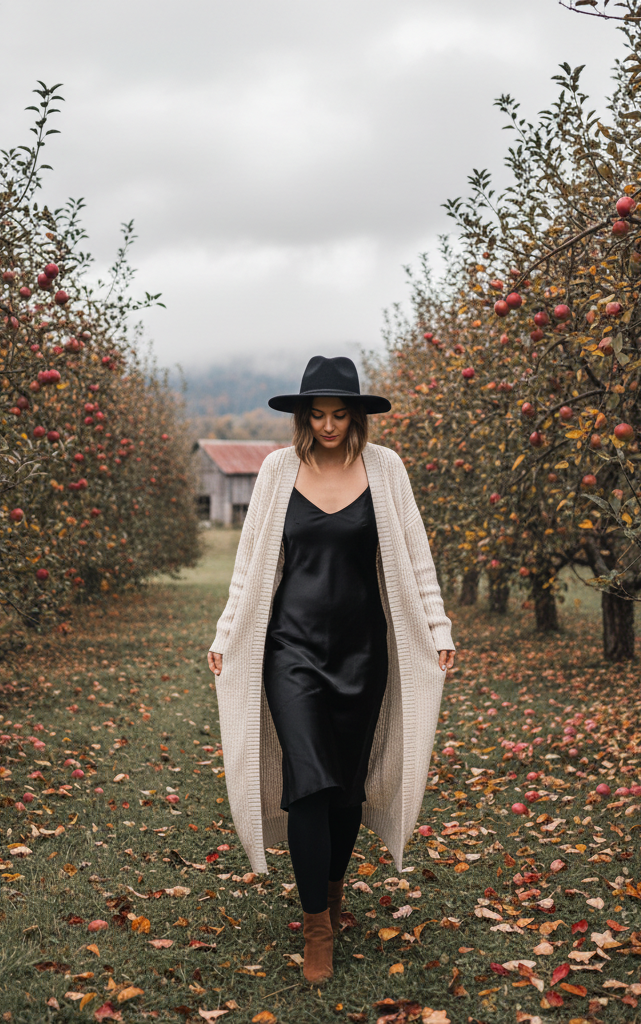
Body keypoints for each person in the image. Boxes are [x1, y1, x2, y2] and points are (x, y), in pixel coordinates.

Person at [207, 355, 456, 984]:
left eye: (339, 415)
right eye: (316, 414)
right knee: (310, 785)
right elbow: (250, 563)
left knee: (346, 789)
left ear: (356, 417)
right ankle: (316, 925)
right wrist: (228, 631)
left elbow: (417, 555)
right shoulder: (277, 470)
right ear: (301, 417)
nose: (327, 425)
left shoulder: (385, 468)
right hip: (290, 649)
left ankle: (333, 890)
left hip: (362, 651)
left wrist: (437, 626)